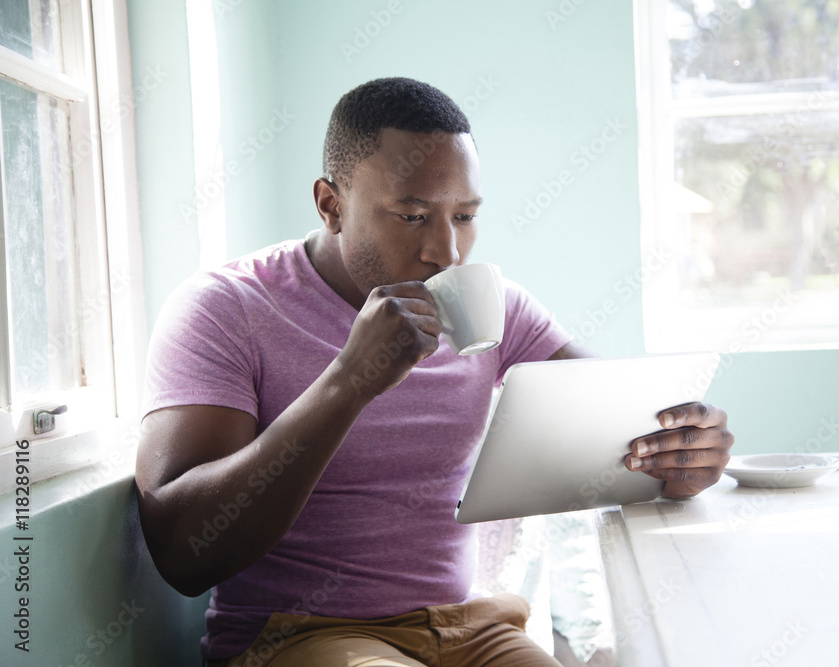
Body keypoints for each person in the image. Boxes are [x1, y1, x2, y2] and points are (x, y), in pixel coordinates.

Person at [134, 77, 734, 667]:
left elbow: (623, 419)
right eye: (413, 216)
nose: (446, 252)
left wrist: (681, 454)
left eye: (465, 216)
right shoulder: (226, 308)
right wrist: (349, 381)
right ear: (331, 205)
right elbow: (184, 554)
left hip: (467, 626)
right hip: (297, 636)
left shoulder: (489, 305)